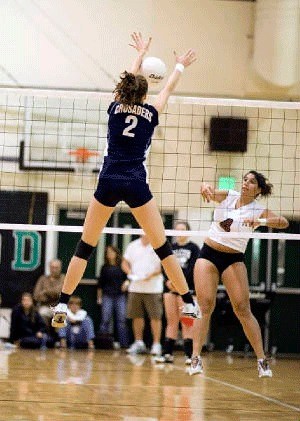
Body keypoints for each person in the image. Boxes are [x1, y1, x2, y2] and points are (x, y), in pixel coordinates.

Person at [51, 32, 200, 328]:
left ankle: (63, 303)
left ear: (124, 91)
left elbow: (127, 81)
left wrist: (140, 54)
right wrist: (179, 66)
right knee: (163, 247)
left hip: (108, 180)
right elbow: (167, 89)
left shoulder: (115, 108)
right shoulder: (151, 111)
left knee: (85, 246)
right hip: (135, 182)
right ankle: (188, 301)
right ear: (144, 95)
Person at [189, 171, 289, 378]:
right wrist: (205, 188)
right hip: (208, 253)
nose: (246, 183)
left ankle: (262, 360)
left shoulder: (259, 210)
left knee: (243, 309)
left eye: (252, 182)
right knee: (205, 305)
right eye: (245, 179)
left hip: (233, 258)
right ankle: (195, 357)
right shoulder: (229, 195)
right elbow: (209, 192)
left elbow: (283, 222)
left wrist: (261, 221)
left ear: (259, 189)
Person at [155, 221, 200, 364]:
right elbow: (164, 266)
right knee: (171, 321)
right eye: (177, 230)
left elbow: (193, 268)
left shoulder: (194, 248)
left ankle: (189, 355)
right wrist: (169, 281)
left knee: (187, 321)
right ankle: (167, 353)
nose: (180, 232)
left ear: (188, 231)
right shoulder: (169, 247)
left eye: (183, 229)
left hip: (187, 290)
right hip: (170, 289)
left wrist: (180, 283)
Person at [122, 235, 164, 355]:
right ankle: (139, 342)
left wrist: (151, 275)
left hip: (154, 288)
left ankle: (156, 344)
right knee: (137, 316)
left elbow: (164, 265)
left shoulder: (159, 244)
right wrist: (130, 273)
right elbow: (124, 263)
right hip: (135, 287)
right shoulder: (133, 245)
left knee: (155, 317)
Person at [97, 245, 129, 349]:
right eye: (108, 252)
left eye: (112, 252)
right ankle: (103, 344)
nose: (110, 254)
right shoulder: (104, 267)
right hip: (107, 295)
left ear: (116, 253)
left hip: (120, 295)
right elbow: (100, 284)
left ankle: (124, 344)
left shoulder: (122, 266)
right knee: (105, 319)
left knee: (121, 320)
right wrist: (99, 297)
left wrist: (127, 283)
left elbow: (129, 277)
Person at [33, 259, 65, 325]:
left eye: (56, 267)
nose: (54, 270)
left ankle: (59, 335)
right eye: (52, 267)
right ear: (49, 268)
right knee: (42, 314)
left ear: (60, 268)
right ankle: (44, 334)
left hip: (59, 306)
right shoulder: (42, 279)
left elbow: (60, 293)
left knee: (61, 316)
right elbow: (36, 296)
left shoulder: (63, 278)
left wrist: (45, 291)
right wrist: (53, 294)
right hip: (45, 306)